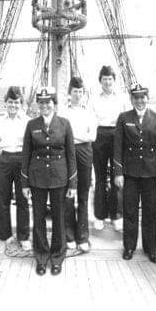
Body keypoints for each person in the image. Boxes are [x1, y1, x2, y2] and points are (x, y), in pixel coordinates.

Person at [21, 87, 77, 276]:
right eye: (42, 102)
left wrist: (72, 184)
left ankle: (57, 257)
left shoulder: (64, 124)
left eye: (48, 102)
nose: (45, 105)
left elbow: (71, 155)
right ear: (38, 104)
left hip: (59, 178)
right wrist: (24, 184)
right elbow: (26, 155)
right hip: (37, 178)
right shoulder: (31, 125)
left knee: (59, 219)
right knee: (38, 219)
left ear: (55, 104)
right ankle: (41, 257)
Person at [114, 83, 156, 263]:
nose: (139, 101)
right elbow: (118, 147)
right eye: (136, 98)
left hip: (150, 172)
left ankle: (150, 249)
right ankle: (129, 246)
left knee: (150, 211)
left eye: (142, 97)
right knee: (129, 210)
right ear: (132, 99)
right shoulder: (124, 118)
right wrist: (118, 172)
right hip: (130, 172)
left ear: (148, 98)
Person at [0, 86, 31, 253]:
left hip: (22, 160)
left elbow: (31, 147)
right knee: (3, 200)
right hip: (4, 160)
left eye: (16, 102)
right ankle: (3, 237)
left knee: (23, 200)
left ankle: (23, 237)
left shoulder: (27, 121)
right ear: (5, 103)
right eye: (10, 102)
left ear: (21, 104)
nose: (13, 105)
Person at [90, 65, 129, 232]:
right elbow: (91, 120)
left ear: (114, 81)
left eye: (110, 79)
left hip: (117, 135)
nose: (107, 82)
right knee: (99, 177)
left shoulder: (122, 99)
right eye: (104, 79)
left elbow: (126, 119)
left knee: (117, 176)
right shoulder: (94, 99)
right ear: (100, 81)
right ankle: (99, 216)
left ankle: (116, 216)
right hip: (99, 135)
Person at [59, 77, 96, 253]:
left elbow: (92, 136)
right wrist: (77, 137)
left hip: (84, 152)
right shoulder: (63, 113)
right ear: (69, 93)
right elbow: (61, 134)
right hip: (67, 152)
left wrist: (74, 137)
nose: (78, 95)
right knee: (68, 193)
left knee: (83, 193)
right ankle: (69, 236)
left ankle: (83, 236)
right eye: (75, 92)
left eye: (81, 92)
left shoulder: (89, 112)